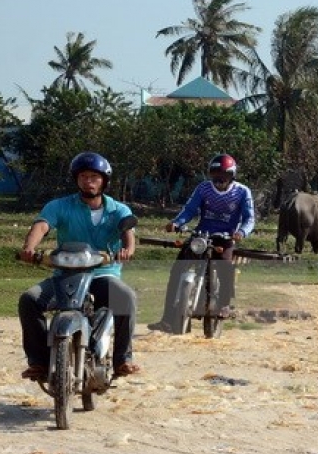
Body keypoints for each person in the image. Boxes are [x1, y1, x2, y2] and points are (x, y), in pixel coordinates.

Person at [17, 152, 140, 380]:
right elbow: (42, 226)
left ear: (104, 180)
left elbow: (128, 233)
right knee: (30, 299)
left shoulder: (118, 209)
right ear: (76, 179)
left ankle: (123, 359)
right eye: (83, 176)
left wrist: (127, 250)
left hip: (103, 275)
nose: (88, 181)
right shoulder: (59, 206)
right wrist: (29, 248)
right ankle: (39, 362)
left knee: (126, 298)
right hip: (65, 276)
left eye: (94, 176)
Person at [147, 154, 255, 332]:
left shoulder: (242, 192)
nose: (219, 179)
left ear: (232, 175)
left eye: (224, 175)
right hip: (201, 235)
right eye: (215, 175)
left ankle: (224, 305)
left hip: (226, 237)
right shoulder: (203, 188)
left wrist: (241, 232)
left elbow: (249, 218)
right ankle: (167, 319)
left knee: (225, 267)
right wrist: (177, 223)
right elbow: (189, 209)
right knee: (177, 270)